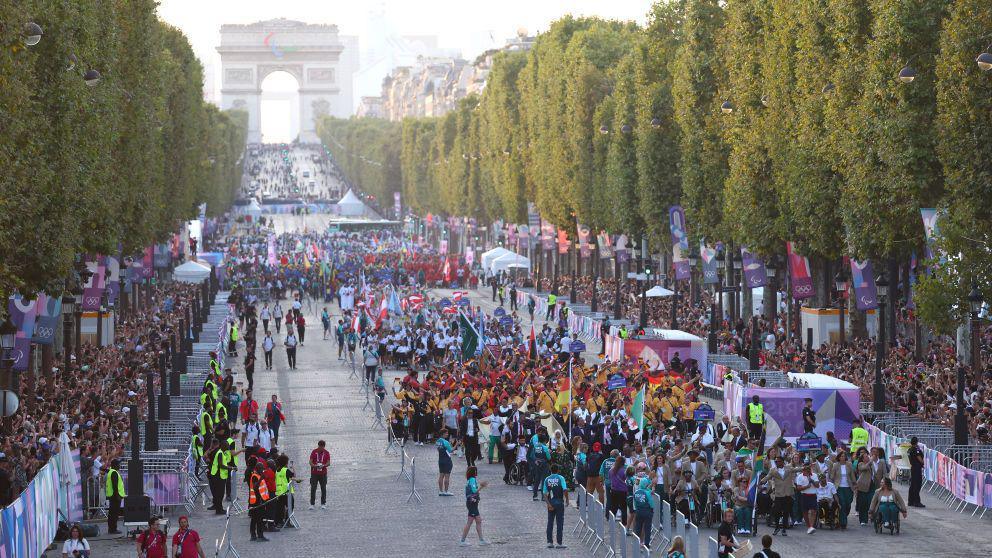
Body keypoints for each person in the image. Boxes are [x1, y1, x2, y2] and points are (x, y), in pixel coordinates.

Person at [460, 466, 489, 546]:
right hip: (472, 503)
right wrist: (482, 487)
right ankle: (463, 541)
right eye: (476, 471)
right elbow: (474, 491)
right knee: (471, 522)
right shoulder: (472, 479)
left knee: (478, 521)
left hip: (472, 503)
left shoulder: (469, 480)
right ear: (474, 472)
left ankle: (481, 540)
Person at [542, 468, 569, 549]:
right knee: (559, 523)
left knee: (550, 522)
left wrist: (548, 504)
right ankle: (559, 543)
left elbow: (544, 493)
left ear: (551, 471)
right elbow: (565, 489)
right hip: (559, 503)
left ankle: (550, 542)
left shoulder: (547, 479)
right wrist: (567, 499)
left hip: (551, 503)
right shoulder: (561, 478)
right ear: (558, 470)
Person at [829, 450, 855, 529]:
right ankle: (843, 523)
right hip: (839, 487)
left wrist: (855, 483)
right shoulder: (835, 465)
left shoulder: (849, 464)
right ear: (839, 457)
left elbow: (852, 475)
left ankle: (843, 517)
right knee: (842, 504)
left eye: (844, 456)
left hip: (848, 487)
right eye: (841, 456)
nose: (843, 458)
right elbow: (832, 477)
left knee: (848, 504)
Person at [248, 462, 272, 542]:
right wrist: (261, 478)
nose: (262, 470)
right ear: (257, 469)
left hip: (260, 500)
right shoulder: (255, 476)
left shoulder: (259, 475)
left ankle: (256, 535)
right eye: (261, 469)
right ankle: (257, 535)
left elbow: (263, 489)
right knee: (256, 519)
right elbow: (255, 487)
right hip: (255, 501)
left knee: (257, 518)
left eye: (263, 469)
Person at [632, 476, 654, 547]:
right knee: (647, 528)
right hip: (647, 512)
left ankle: (636, 543)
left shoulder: (636, 492)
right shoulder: (647, 493)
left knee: (638, 528)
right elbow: (651, 504)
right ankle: (646, 544)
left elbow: (635, 502)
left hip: (638, 511)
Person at [105, 458, 125, 534]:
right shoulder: (114, 473)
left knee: (112, 513)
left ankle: (111, 528)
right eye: (118, 464)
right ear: (115, 465)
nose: (119, 465)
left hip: (113, 495)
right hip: (115, 496)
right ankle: (113, 529)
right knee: (114, 513)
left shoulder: (111, 472)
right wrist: (117, 495)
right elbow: (115, 485)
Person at [309, 439, 330, 509]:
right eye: (320, 447)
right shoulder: (314, 452)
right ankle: (312, 504)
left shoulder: (326, 453)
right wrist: (314, 466)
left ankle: (323, 503)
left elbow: (328, 463)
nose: (321, 448)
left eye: (322, 447)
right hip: (314, 473)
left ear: (324, 446)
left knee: (323, 488)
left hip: (323, 473)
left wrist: (323, 465)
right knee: (313, 488)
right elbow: (310, 462)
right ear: (318, 446)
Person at [908, 436, 925, 507]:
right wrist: (923, 463)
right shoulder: (916, 449)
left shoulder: (909, 449)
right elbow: (919, 458)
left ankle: (910, 501)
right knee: (917, 485)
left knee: (912, 485)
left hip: (913, 467)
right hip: (917, 468)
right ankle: (916, 501)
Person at [437, 429, 454, 496]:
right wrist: (456, 444)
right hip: (447, 460)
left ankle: (441, 491)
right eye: (446, 433)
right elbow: (451, 450)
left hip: (440, 460)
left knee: (441, 475)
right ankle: (446, 491)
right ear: (442, 434)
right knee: (447, 476)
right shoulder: (446, 442)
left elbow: (439, 450)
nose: (447, 434)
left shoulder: (437, 441)